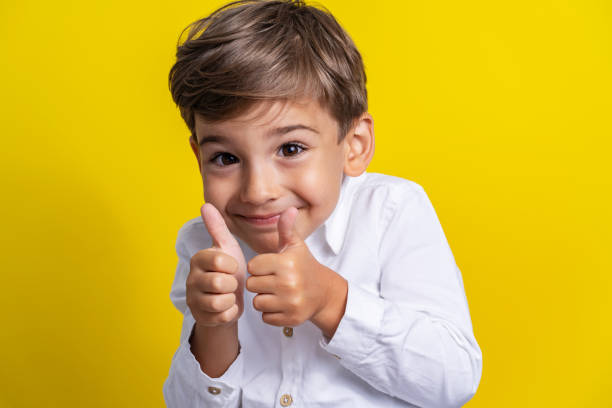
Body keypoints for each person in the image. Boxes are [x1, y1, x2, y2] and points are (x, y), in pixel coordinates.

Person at [162, 1, 482, 406]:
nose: (257, 191)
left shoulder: (391, 213)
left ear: (355, 146)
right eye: (226, 158)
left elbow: (453, 379)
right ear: (198, 156)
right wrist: (213, 328)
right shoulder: (204, 246)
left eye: (290, 148)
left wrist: (332, 300)